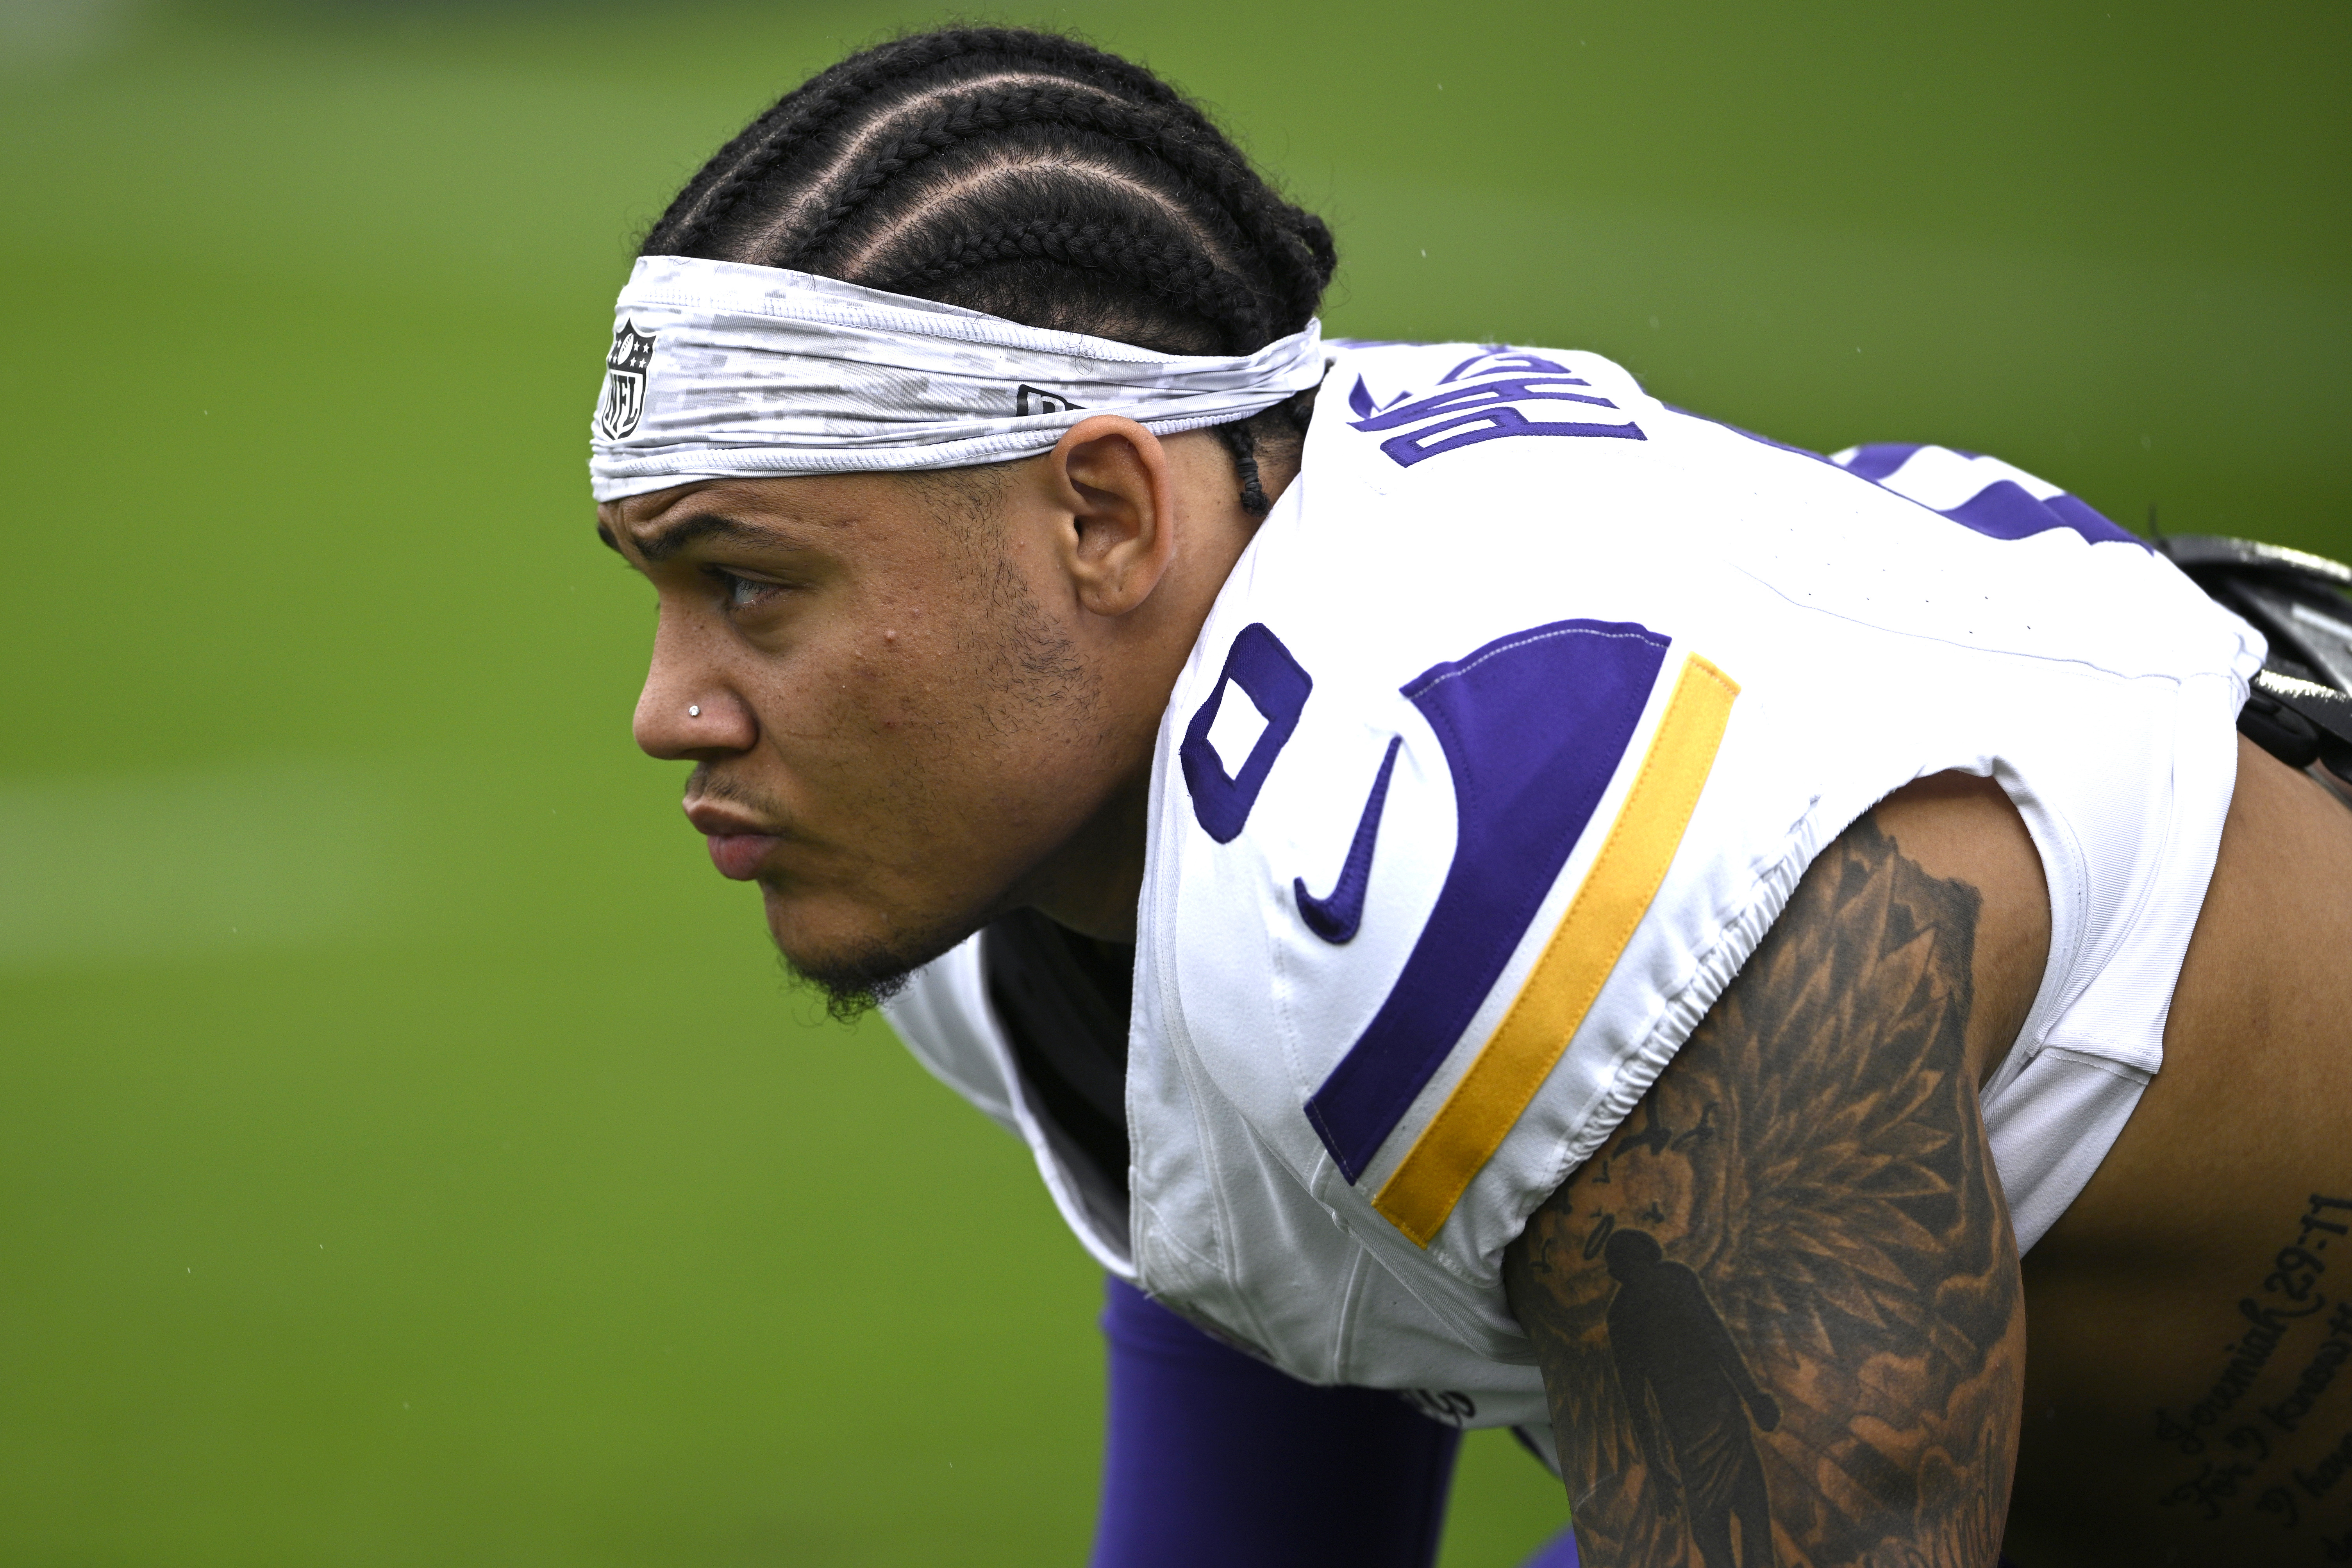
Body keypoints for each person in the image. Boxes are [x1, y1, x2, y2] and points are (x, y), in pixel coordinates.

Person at [584, 27, 2352, 1566]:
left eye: (748, 584)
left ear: (1104, 517)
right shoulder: (1055, 876)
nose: (669, 710)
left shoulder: (1489, 808)